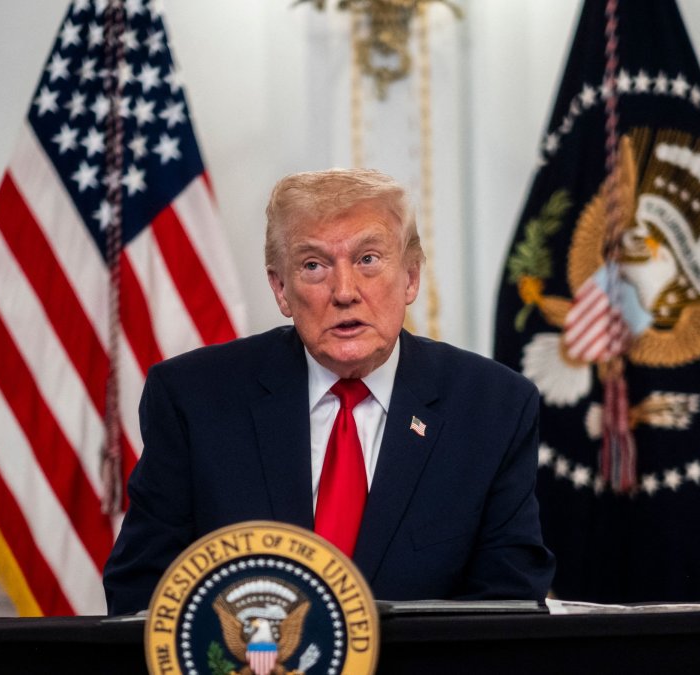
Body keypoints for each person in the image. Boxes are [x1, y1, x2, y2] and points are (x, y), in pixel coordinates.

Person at [103, 168, 554, 614]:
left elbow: (506, 606)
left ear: (411, 277)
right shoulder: (194, 398)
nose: (344, 292)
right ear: (281, 289)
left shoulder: (492, 408)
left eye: (368, 260)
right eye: (313, 265)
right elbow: (143, 592)